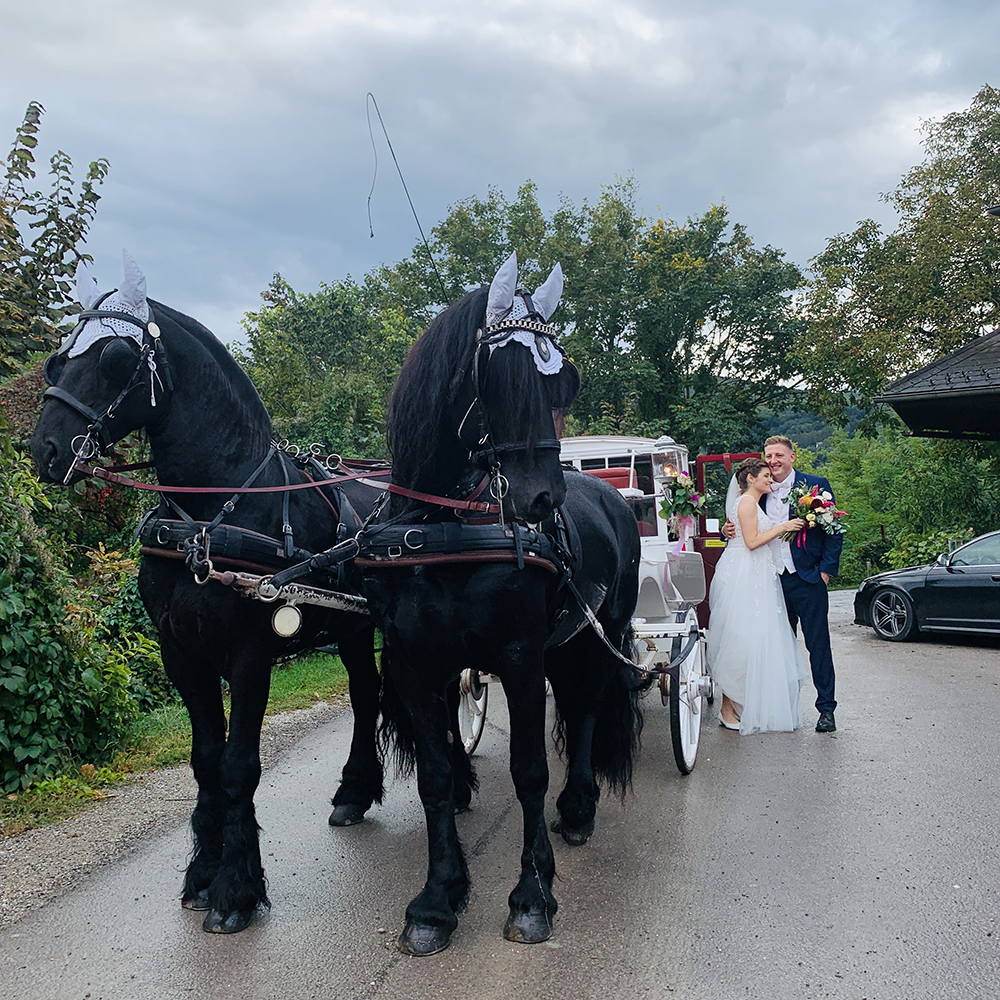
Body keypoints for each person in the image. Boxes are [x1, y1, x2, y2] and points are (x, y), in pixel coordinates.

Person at [722, 435, 843, 732]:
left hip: (807, 577)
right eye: (769, 456)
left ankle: (826, 709)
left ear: (792, 457)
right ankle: (785, 709)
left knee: (818, 646)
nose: (773, 461)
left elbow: (834, 529)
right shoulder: (759, 489)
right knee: (777, 649)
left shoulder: (815, 486)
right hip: (770, 581)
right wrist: (728, 529)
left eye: (778, 455)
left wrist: (825, 571)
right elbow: (744, 520)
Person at [709, 457, 808, 734]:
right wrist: (782, 528)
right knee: (741, 639)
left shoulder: (748, 501)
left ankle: (744, 704)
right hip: (745, 572)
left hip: (756, 573)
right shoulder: (747, 502)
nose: (770, 479)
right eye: (765, 475)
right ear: (751, 478)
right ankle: (727, 707)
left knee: (755, 639)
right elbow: (751, 542)